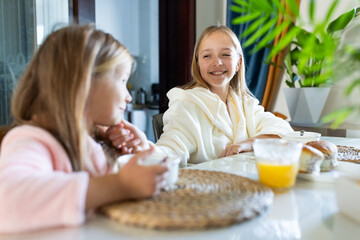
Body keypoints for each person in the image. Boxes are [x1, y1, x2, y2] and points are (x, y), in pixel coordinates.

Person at [0, 25, 167, 233]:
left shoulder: (95, 141)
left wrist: (141, 150)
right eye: (122, 81)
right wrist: (119, 184)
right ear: (83, 84)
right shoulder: (31, 141)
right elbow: (8, 200)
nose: (128, 96)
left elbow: (162, 181)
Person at [155, 25, 294, 166]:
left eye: (226, 55)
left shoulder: (245, 105)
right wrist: (147, 154)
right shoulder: (186, 104)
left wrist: (246, 145)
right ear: (198, 64)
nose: (217, 62)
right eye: (207, 56)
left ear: (238, 63)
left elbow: (283, 130)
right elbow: (171, 147)